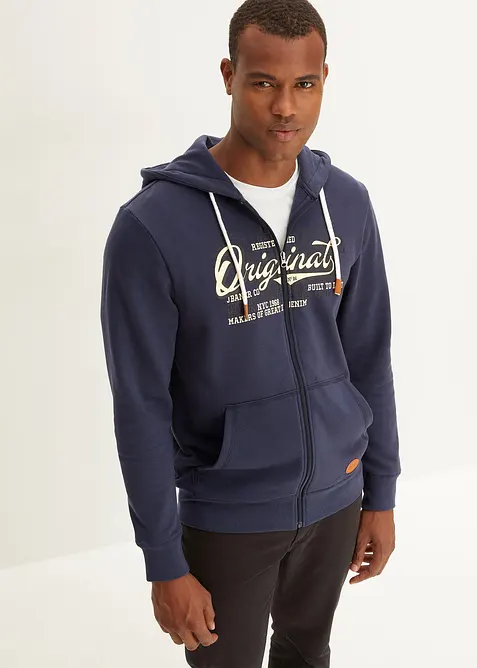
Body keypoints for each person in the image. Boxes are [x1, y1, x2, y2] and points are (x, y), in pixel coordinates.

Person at [100, 0, 401, 666]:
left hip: (337, 498)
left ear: (325, 79)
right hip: (227, 514)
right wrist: (162, 561)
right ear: (228, 75)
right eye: (263, 82)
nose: (285, 107)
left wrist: (380, 493)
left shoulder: (346, 202)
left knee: (306, 653)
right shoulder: (151, 227)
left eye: (304, 84)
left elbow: (369, 356)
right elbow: (140, 405)